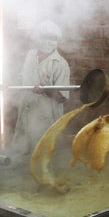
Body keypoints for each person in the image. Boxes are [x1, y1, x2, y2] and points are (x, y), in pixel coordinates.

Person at [12, 20, 70, 154]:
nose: (50, 42)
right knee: (21, 155)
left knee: (43, 155)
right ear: (38, 39)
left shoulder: (60, 64)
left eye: (54, 39)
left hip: (46, 119)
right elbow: (23, 78)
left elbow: (62, 98)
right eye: (46, 37)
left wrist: (47, 91)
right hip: (26, 113)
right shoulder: (30, 55)